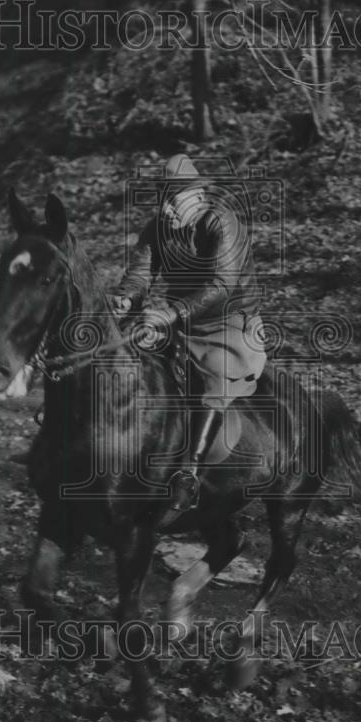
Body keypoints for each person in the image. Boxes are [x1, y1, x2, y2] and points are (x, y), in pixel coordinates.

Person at [113, 154, 266, 529]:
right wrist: (126, 298)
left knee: (216, 373)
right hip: (181, 320)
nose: (166, 207)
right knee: (127, 356)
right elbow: (139, 276)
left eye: (174, 198)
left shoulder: (221, 223)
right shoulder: (157, 228)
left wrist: (168, 313)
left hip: (230, 322)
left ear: (198, 195)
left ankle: (189, 473)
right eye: (163, 197)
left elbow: (221, 286)